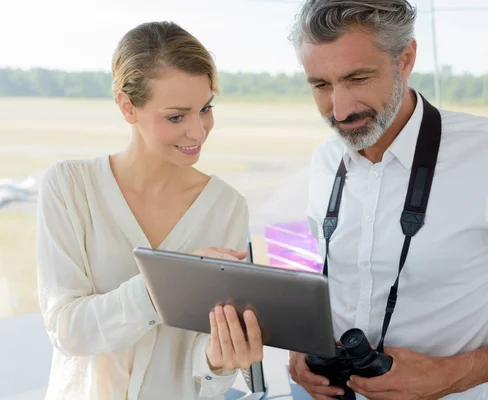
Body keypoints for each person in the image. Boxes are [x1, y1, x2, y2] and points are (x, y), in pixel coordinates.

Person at [35, 21, 264, 400]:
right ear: (128, 107)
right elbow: (67, 330)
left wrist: (218, 361)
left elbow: (206, 375)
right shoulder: (69, 187)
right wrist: (166, 284)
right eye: (176, 116)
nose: (198, 131)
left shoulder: (226, 208)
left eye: (205, 109)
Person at [286, 1, 488, 399]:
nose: (340, 111)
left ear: (406, 58)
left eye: (358, 78)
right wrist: (304, 343)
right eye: (321, 86)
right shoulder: (325, 160)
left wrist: (455, 374)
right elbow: (334, 279)